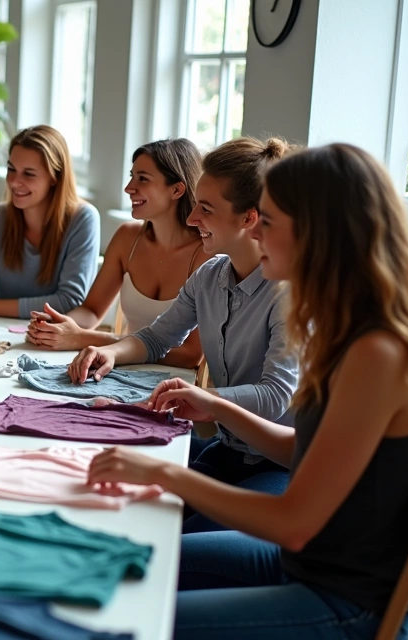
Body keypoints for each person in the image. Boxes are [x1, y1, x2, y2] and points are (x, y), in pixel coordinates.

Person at [87, 143, 408, 639]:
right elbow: (300, 449)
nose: (255, 231)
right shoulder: (347, 326)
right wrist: (211, 403)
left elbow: (294, 521)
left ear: (314, 231)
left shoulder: (379, 352)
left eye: (267, 221)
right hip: (301, 562)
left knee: (128, 615)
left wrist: (166, 472)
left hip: (343, 598)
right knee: (129, 559)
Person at [68, 137, 300, 531]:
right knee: (130, 516)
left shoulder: (289, 292)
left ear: (249, 219)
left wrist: (203, 398)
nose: (191, 219)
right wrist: (112, 352)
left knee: (163, 540)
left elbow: (276, 397)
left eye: (205, 210)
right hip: (228, 450)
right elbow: (158, 338)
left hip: (278, 470)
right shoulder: (209, 276)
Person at [26, 139, 209, 370]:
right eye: (132, 176)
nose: (129, 188)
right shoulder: (127, 238)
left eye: (142, 178)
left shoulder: (206, 255)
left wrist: (82, 337)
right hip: (118, 367)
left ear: (176, 189)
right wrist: (63, 326)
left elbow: (190, 355)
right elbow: (91, 310)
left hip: (173, 384)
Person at [0, 125, 100, 320]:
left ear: (55, 177)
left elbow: (68, 301)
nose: (14, 182)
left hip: (51, 339)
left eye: (29, 173)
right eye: (11, 169)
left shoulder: (83, 219)